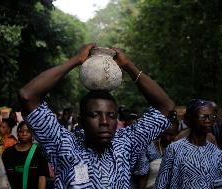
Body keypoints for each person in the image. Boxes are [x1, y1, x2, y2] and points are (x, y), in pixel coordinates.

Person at [18, 43, 174, 188]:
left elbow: (166, 107)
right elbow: (28, 96)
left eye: (111, 115)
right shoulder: (63, 144)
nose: (105, 122)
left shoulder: (126, 143)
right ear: (81, 121)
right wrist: (75, 60)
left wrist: (128, 66)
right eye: (95, 115)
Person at [154, 99, 222, 189]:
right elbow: (161, 184)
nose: (208, 120)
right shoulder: (174, 149)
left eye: (212, 116)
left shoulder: (217, 154)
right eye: (202, 116)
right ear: (191, 118)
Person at [2, 121, 49, 189]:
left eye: (28, 131)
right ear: (17, 133)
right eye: (21, 131)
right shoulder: (7, 153)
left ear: (32, 134)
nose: (24, 133)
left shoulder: (39, 152)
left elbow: (41, 178)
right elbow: (3, 177)